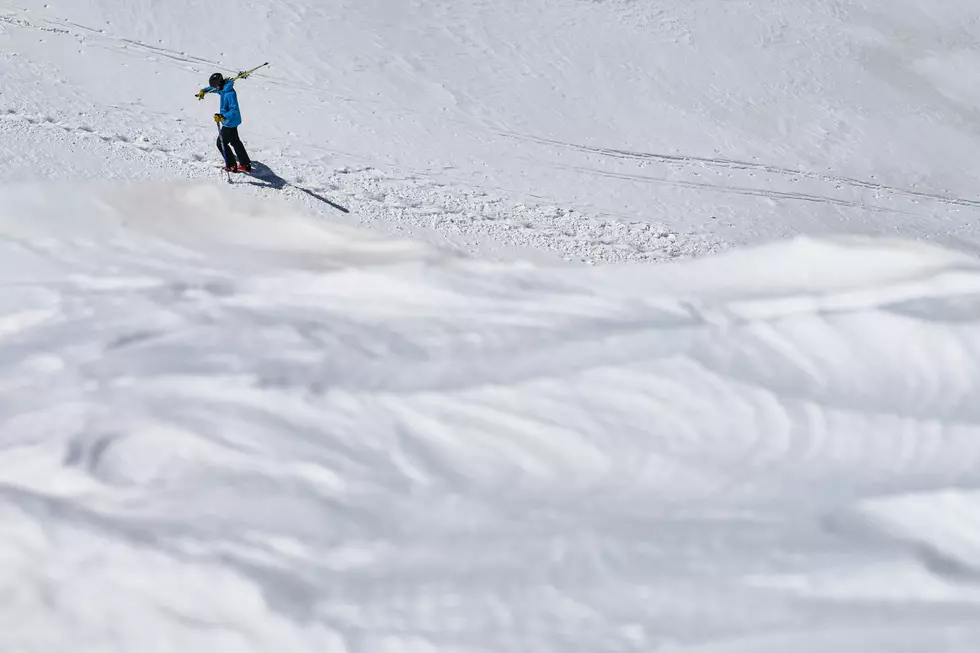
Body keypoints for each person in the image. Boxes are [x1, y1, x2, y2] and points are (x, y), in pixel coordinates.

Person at [198, 72, 252, 173]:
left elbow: (234, 110)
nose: (215, 88)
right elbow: (213, 90)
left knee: (220, 143)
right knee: (235, 142)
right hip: (231, 121)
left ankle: (231, 166)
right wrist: (204, 91)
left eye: (215, 86)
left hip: (229, 122)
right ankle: (245, 164)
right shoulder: (222, 89)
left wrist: (223, 116)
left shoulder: (229, 94)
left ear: (219, 84)